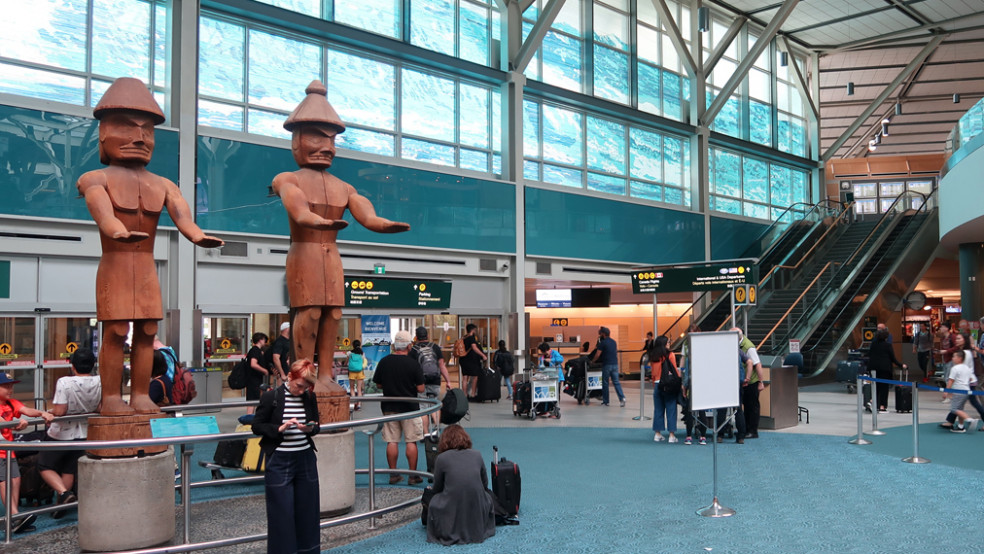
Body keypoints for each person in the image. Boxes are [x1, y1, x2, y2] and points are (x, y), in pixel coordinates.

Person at [77, 77, 223, 416]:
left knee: (147, 330)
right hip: (114, 263)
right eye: (127, 128)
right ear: (103, 134)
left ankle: (141, 395)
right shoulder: (95, 179)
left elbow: (184, 217)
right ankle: (111, 398)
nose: (140, 138)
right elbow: (102, 212)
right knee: (115, 330)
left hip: (145, 267)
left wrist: (197, 235)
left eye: (147, 130)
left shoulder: (164, 184)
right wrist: (117, 230)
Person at [272, 81, 409, 391]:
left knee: (333, 313)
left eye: (331, 140)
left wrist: (384, 225)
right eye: (316, 137)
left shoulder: (343, 187)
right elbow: (297, 207)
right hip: (304, 252)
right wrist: (315, 220)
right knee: (308, 312)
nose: (327, 147)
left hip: (331, 255)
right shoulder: (288, 178)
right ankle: (303, 375)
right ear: (296, 140)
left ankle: (324, 375)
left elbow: (367, 215)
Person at [252, 359, 321, 554]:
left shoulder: (309, 397)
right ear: (290, 377)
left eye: (306, 387)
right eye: (300, 385)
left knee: (308, 512)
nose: (302, 390)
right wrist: (279, 428)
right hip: (280, 460)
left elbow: (317, 425)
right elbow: (257, 426)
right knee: (281, 514)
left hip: (305, 458)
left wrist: (310, 428)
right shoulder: (271, 397)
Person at [39, 348, 101, 520]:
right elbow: (100, 407)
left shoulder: (64, 382)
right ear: (92, 364)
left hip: (61, 433)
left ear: (72, 365)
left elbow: (60, 410)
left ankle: (64, 494)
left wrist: (50, 412)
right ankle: (62, 505)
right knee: (69, 468)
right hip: (84, 432)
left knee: (44, 465)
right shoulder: (99, 381)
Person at [0, 373, 55, 533]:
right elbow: (3, 423)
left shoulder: (11, 403)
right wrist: (16, 424)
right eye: (6, 386)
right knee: (4, 482)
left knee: (16, 480)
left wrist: (42, 413)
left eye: (11, 385)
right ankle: (15, 515)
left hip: (8, 449)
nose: (10, 389)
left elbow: (26, 410)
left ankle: (14, 518)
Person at [425, 424, 495, 545]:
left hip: (451, 503)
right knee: (486, 497)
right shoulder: (477, 455)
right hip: (476, 503)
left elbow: (437, 488)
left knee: (431, 498)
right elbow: (485, 484)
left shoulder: (442, 458)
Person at [372, 330, 425, 485]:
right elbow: (421, 388)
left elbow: (379, 384)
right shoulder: (413, 364)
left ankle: (393, 474)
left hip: (389, 406)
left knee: (392, 440)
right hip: (410, 407)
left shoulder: (384, 362)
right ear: (409, 346)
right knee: (411, 441)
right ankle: (413, 476)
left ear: (395, 345)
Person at [410, 327, 450, 434]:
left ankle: (426, 433)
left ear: (416, 337)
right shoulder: (435, 347)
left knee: (423, 407)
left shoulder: (414, 350)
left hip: (420, 382)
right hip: (435, 380)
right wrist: (448, 381)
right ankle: (436, 430)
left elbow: (411, 369)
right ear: (427, 336)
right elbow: (441, 366)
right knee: (435, 404)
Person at [650, 336, 682, 443]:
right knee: (671, 409)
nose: (669, 343)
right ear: (664, 344)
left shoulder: (653, 356)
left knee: (658, 410)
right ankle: (671, 435)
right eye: (668, 342)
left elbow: (653, 374)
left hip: (657, 384)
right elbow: (674, 370)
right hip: (668, 385)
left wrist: (655, 384)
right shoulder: (670, 355)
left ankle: (657, 434)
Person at [734, 328, 765, 439]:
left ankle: (752, 431)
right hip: (744, 381)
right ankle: (746, 429)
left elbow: (757, 364)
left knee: (752, 406)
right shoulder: (737, 344)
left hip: (751, 381)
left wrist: (761, 382)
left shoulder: (748, 347)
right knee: (745, 406)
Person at [717, 347, 752, 444]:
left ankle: (720, 435)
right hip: (737, 383)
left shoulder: (721, 351)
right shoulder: (739, 351)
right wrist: (747, 378)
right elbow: (749, 362)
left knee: (721, 410)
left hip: (724, 383)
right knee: (738, 410)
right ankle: (741, 437)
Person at [868, 328, 907, 413]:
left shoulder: (873, 344)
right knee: (884, 388)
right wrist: (901, 365)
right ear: (886, 337)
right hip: (885, 369)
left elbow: (870, 355)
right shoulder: (887, 345)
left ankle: (872, 401)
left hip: (874, 368)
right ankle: (882, 406)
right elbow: (892, 358)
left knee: (876, 386)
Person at [941, 351, 978, 432]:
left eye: (954, 356)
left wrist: (946, 391)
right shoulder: (967, 368)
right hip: (966, 390)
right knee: (960, 408)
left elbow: (951, 380)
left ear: (959, 358)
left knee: (954, 409)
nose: (953, 358)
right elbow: (970, 379)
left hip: (958, 390)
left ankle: (969, 419)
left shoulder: (955, 368)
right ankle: (961, 426)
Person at [592, 327, 625, 407]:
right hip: (615, 364)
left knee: (605, 383)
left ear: (603, 334)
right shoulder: (614, 342)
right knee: (616, 382)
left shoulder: (602, 343)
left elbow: (598, 354)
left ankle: (606, 401)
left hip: (607, 365)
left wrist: (593, 361)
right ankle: (622, 398)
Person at [459, 324, 488, 400]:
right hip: (471, 360)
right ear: (472, 330)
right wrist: (483, 355)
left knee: (465, 377)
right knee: (475, 376)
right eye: (475, 330)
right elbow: (474, 348)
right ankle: (473, 393)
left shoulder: (463, 338)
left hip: (463, 359)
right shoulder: (471, 338)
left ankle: (465, 394)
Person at [269, 322, 291, 386]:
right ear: (286, 329)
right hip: (284, 373)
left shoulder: (289, 341)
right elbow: (276, 358)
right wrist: (282, 374)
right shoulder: (279, 342)